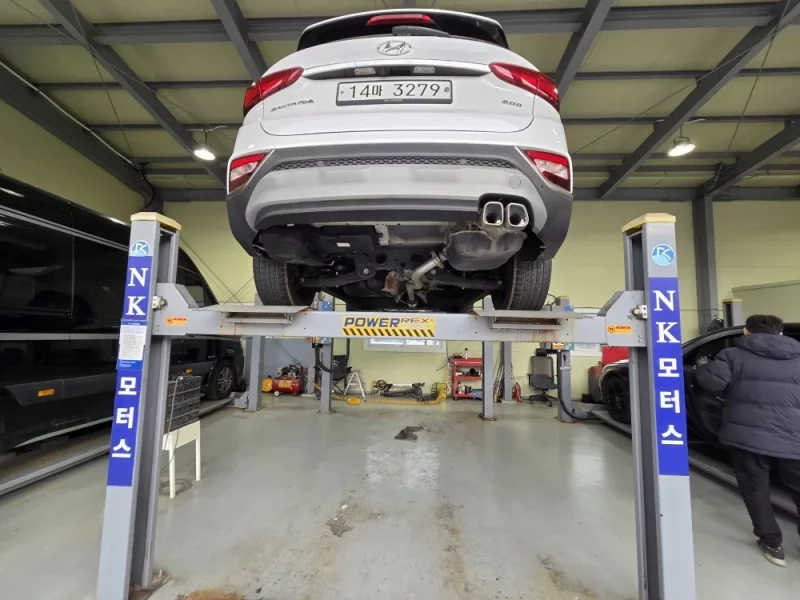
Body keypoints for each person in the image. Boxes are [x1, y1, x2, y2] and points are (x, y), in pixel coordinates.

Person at [696, 314, 800, 567]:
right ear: (780, 333)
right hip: (794, 439)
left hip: (748, 438)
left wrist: (703, 367)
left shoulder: (732, 355)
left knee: (756, 489)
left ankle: (772, 544)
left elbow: (710, 384)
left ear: (746, 331)